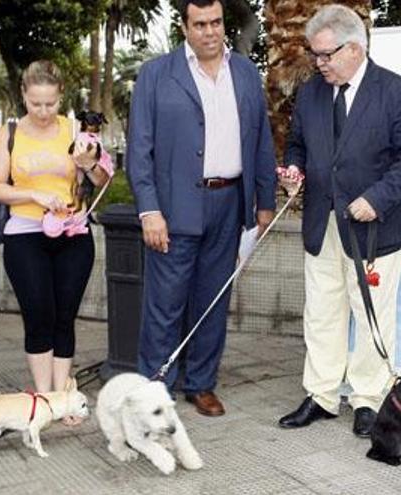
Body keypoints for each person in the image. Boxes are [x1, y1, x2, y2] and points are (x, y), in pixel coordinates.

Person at [277, 4, 401, 438]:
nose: (320, 63)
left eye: (327, 54)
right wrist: (294, 171)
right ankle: (322, 395)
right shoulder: (311, 92)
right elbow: (297, 144)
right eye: (316, 55)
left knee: (371, 315)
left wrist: (376, 199)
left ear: (356, 46)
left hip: (373, 227)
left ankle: (367, 399)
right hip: (321, 222)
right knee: (322, 312)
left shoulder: (397, 91)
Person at [125, 0, 276, 417]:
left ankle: (201, 383)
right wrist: (149, 210)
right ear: (185, 27)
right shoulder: (157, 74)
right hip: (173, 210)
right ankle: (154, 387)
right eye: (200, 24)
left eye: (216, 23)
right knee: (164, 304)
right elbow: (139, 151)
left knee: (213, 300)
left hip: (231, 204)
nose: (210, 32)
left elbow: (261, 140)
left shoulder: (245, 72)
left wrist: (265, 202)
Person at [0, 60, 111, 424]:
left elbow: (103, 179)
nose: (42, 111)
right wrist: (34, 195)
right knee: (39, 316)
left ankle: (63, 397)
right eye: (35, 103)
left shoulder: (76, 128)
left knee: (64, 317)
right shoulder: (9, 132)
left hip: (73, 233)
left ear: (61, 98)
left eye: (50, 104)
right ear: (23, 95)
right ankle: (43, 399)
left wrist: (88, 163)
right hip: (26, 234)